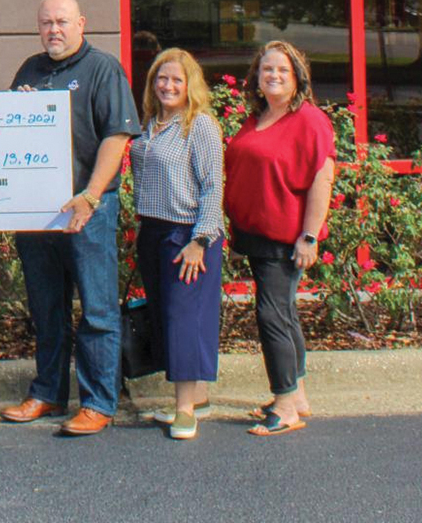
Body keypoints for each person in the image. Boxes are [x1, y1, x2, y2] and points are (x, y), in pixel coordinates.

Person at [0, 0, 142, 436]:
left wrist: (91, 196)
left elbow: (117, 138)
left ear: (82, 23)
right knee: (46, 309)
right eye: (46, 23)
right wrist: (18, 110)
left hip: (88, 209)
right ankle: (48, 392)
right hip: (39, 211)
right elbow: (8, 133)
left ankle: (98, 402)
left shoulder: (102, 69)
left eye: (62, 22)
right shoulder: (30, 69)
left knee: (97, 310)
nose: (53, 30)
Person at [224, 40, 335, 437]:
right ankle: (296, 395)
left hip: (284, 238)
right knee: (283, 312)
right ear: (256, 77)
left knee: (271, 316)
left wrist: (309, 235)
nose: (273, 75)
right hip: (255, 235)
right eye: (267, 69)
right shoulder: (257, 118)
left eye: (282, 70)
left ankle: (285, 405)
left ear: (297, 77)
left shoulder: (308, 120)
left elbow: (322, 178)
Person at [131, 48, 224, 441]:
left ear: (190, 86)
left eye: (176, 80)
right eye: (161, 78)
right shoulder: (151, 124)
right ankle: (194, 399)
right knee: (165, 318)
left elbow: (213, 186)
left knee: (184, 320)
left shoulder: (198, 125)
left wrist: (200, 240)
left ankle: (185, 411)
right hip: (153, 232)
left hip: (187, 235)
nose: (167, 86)